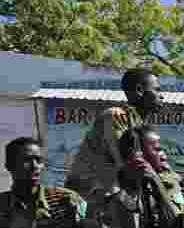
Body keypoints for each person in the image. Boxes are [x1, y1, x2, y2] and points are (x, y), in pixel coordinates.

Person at [64, 68, 164, 198]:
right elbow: (129, 164)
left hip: (108, 191)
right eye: (156, 90)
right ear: (139, 90)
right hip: (87, 193)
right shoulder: (116, 116)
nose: (161, 95)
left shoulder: (138, 124)